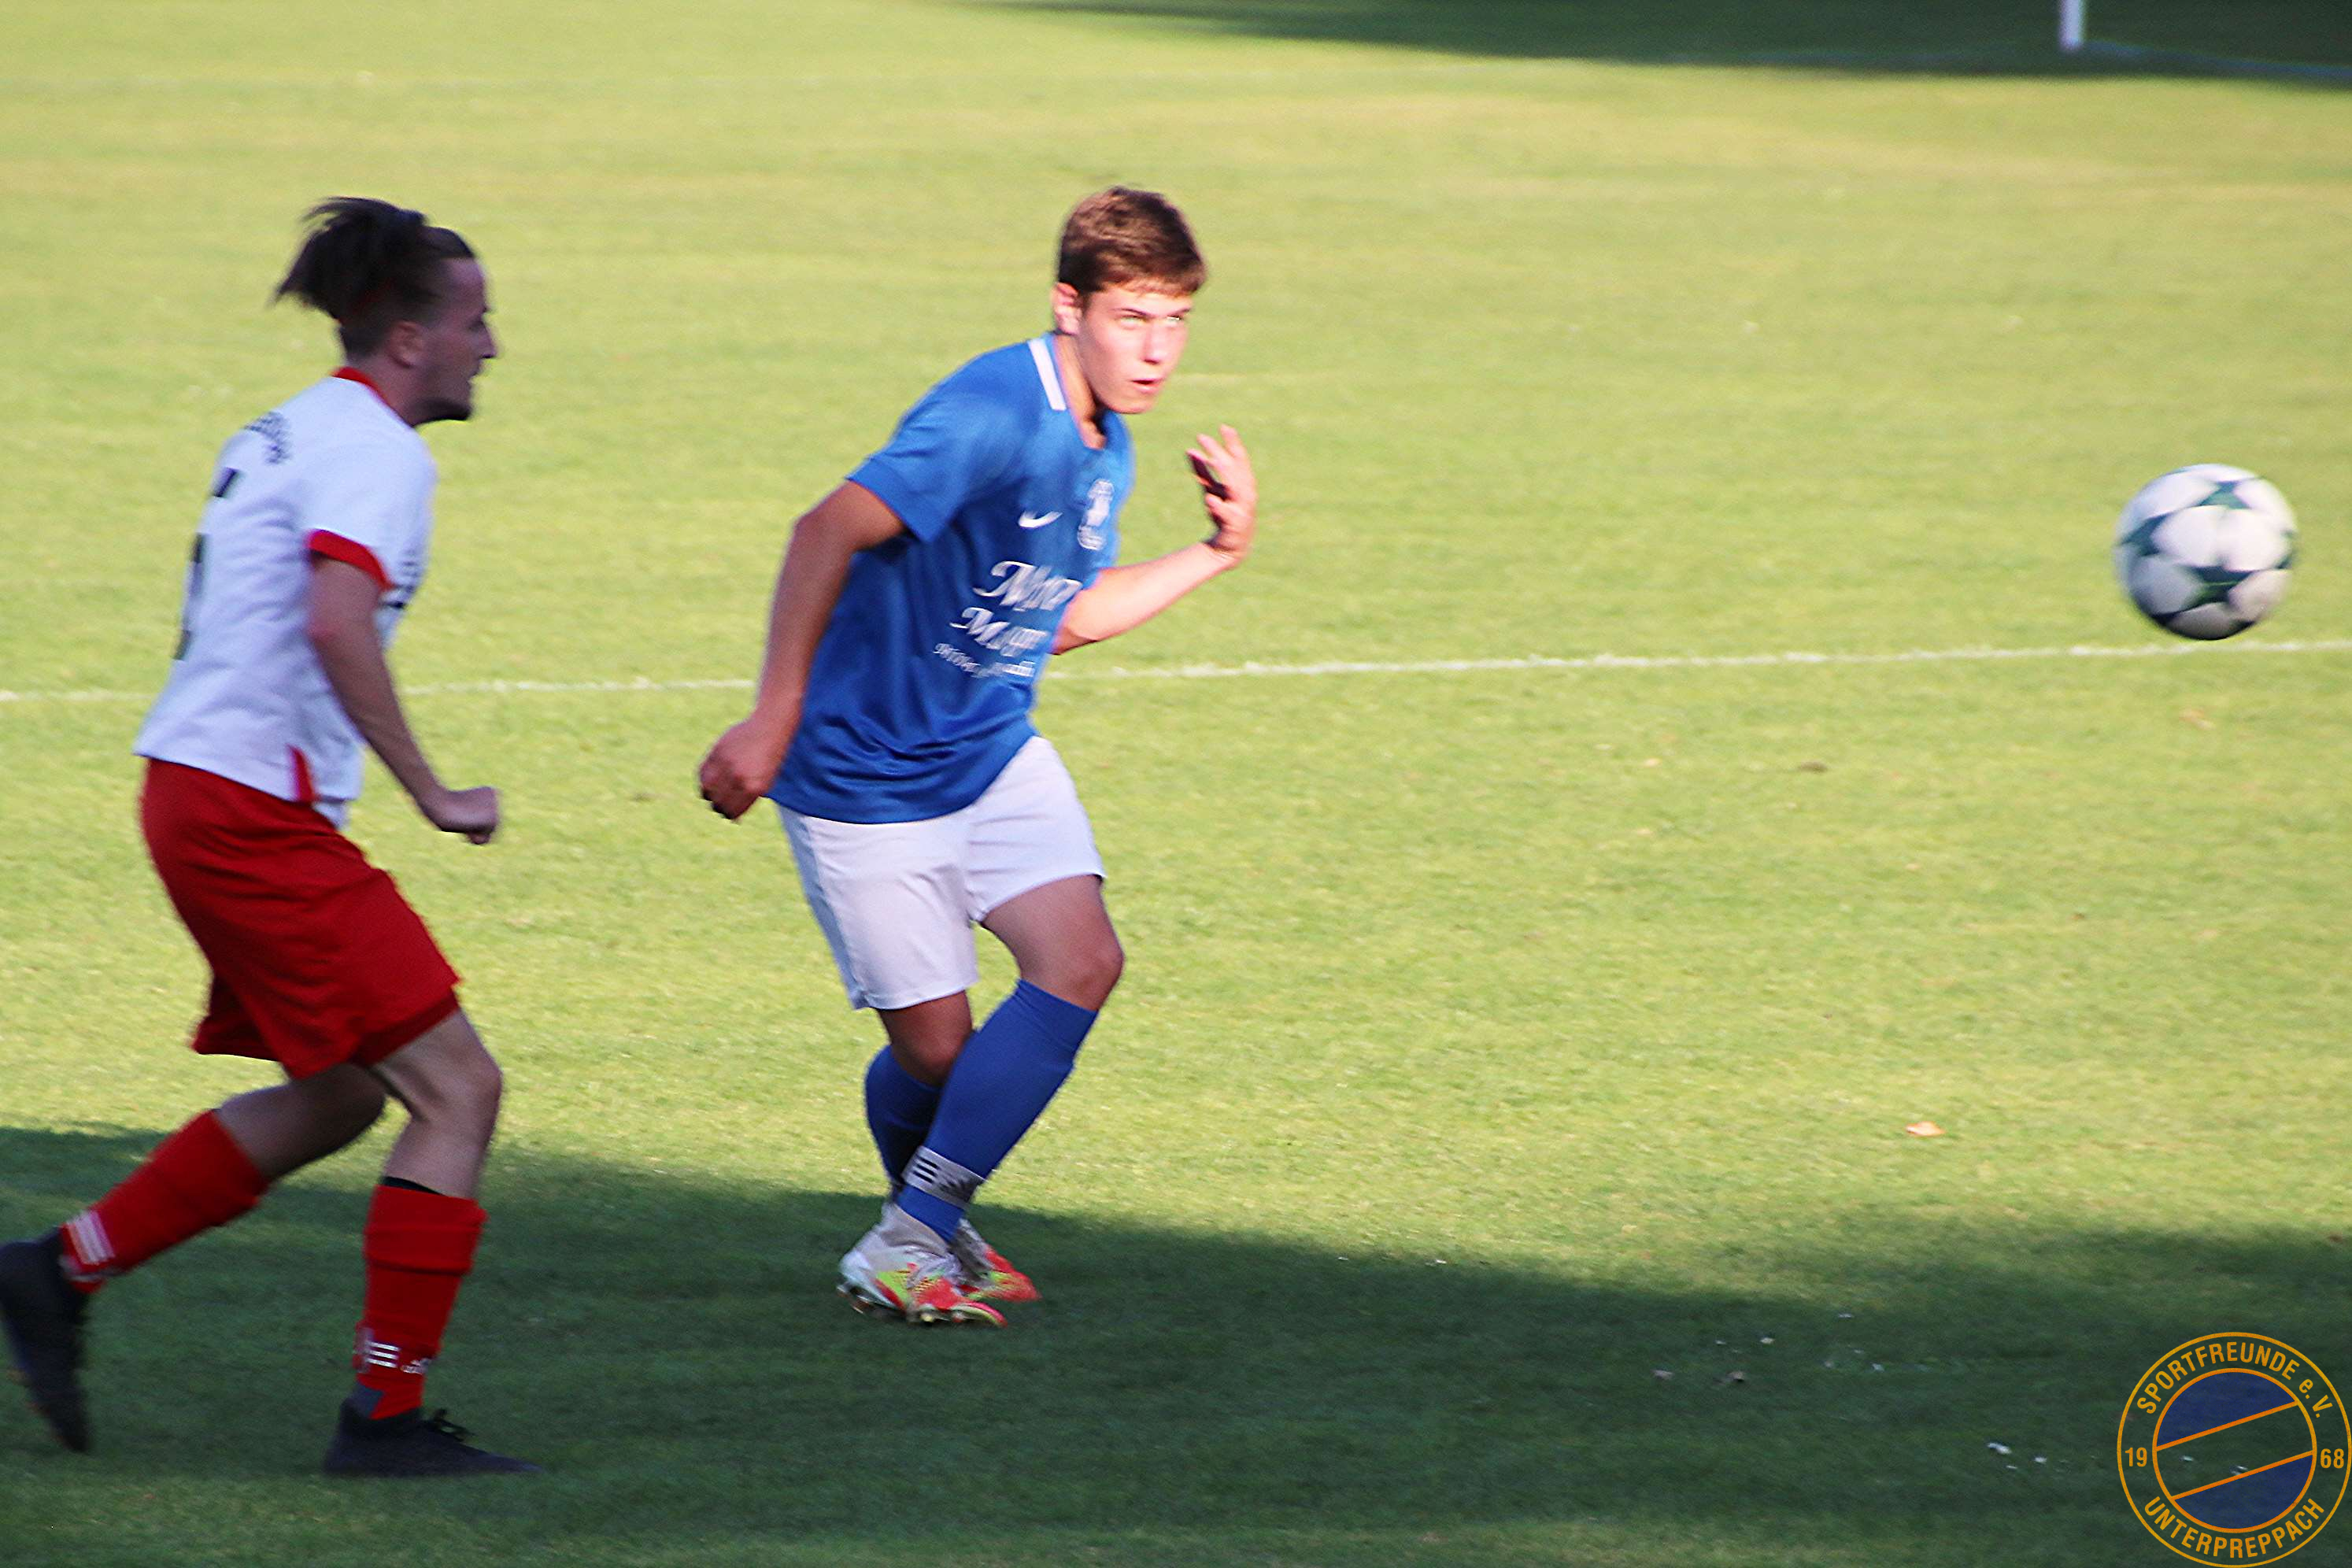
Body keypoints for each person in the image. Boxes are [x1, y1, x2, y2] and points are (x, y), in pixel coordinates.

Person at [0, 198, 535, 1476]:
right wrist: (434, 791)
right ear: (407, 339)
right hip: (250, 816)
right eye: (475, 321)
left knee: (347, 1090)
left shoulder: (293, 426)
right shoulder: (382, 455)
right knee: (458, 1089)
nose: (492, 346)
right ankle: (384, 1421)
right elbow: (334, 619)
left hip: (198, 794)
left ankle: (58, 1272)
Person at [698, 186, 1259, 1326]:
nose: (1157, 350)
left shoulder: (1108, 446)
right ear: (1069, 307)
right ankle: (923, 1228)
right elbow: (826, 529)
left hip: (989, 747)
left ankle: (912, 1236)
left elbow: (1062, 615)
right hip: (864, 772)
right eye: (1133, 318)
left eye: (1175, 321)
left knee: (1083, 962)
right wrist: (771, 716)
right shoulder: (997, 410)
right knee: (943, 1056)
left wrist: (1217, 551)